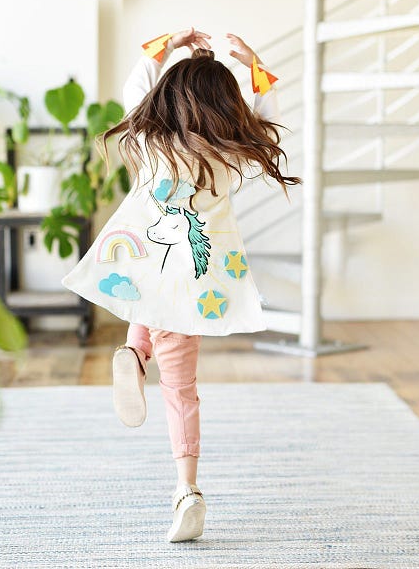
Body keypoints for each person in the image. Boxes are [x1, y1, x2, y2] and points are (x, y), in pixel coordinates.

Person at [61, 27, 302, 542]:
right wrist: (254, 64)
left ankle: (134, 353)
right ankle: (186, 489)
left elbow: (134, 86)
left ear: (166, 99)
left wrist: (165, 46)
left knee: (146, 299)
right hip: (195, 287)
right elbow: (268, 111)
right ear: (227, 108)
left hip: (144, 272)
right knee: (181, 391)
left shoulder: (150, 142)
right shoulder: (231, 153)